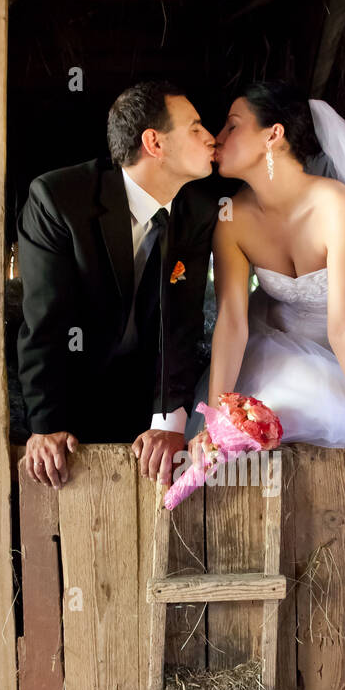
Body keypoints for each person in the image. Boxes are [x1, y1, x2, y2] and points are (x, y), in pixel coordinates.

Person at [188, 81, 345, 468]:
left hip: (342, 353)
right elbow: (232, 323)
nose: (215, 138)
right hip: (274, 344)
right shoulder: (232, 219)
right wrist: (216, 418)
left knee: (328, 412)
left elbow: (342, 326)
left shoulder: (337, 206)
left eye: (231, 126)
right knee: (258, 413)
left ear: (273, 135)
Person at [16, 80, 218, 487]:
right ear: (154, 143)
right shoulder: (59, 199)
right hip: (71, 387)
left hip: (145, 392)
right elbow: (46, 319)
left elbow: (180, 324)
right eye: (195, 128)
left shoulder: (197, 211)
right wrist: (47, 424)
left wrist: (168, 423)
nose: (211, 137)